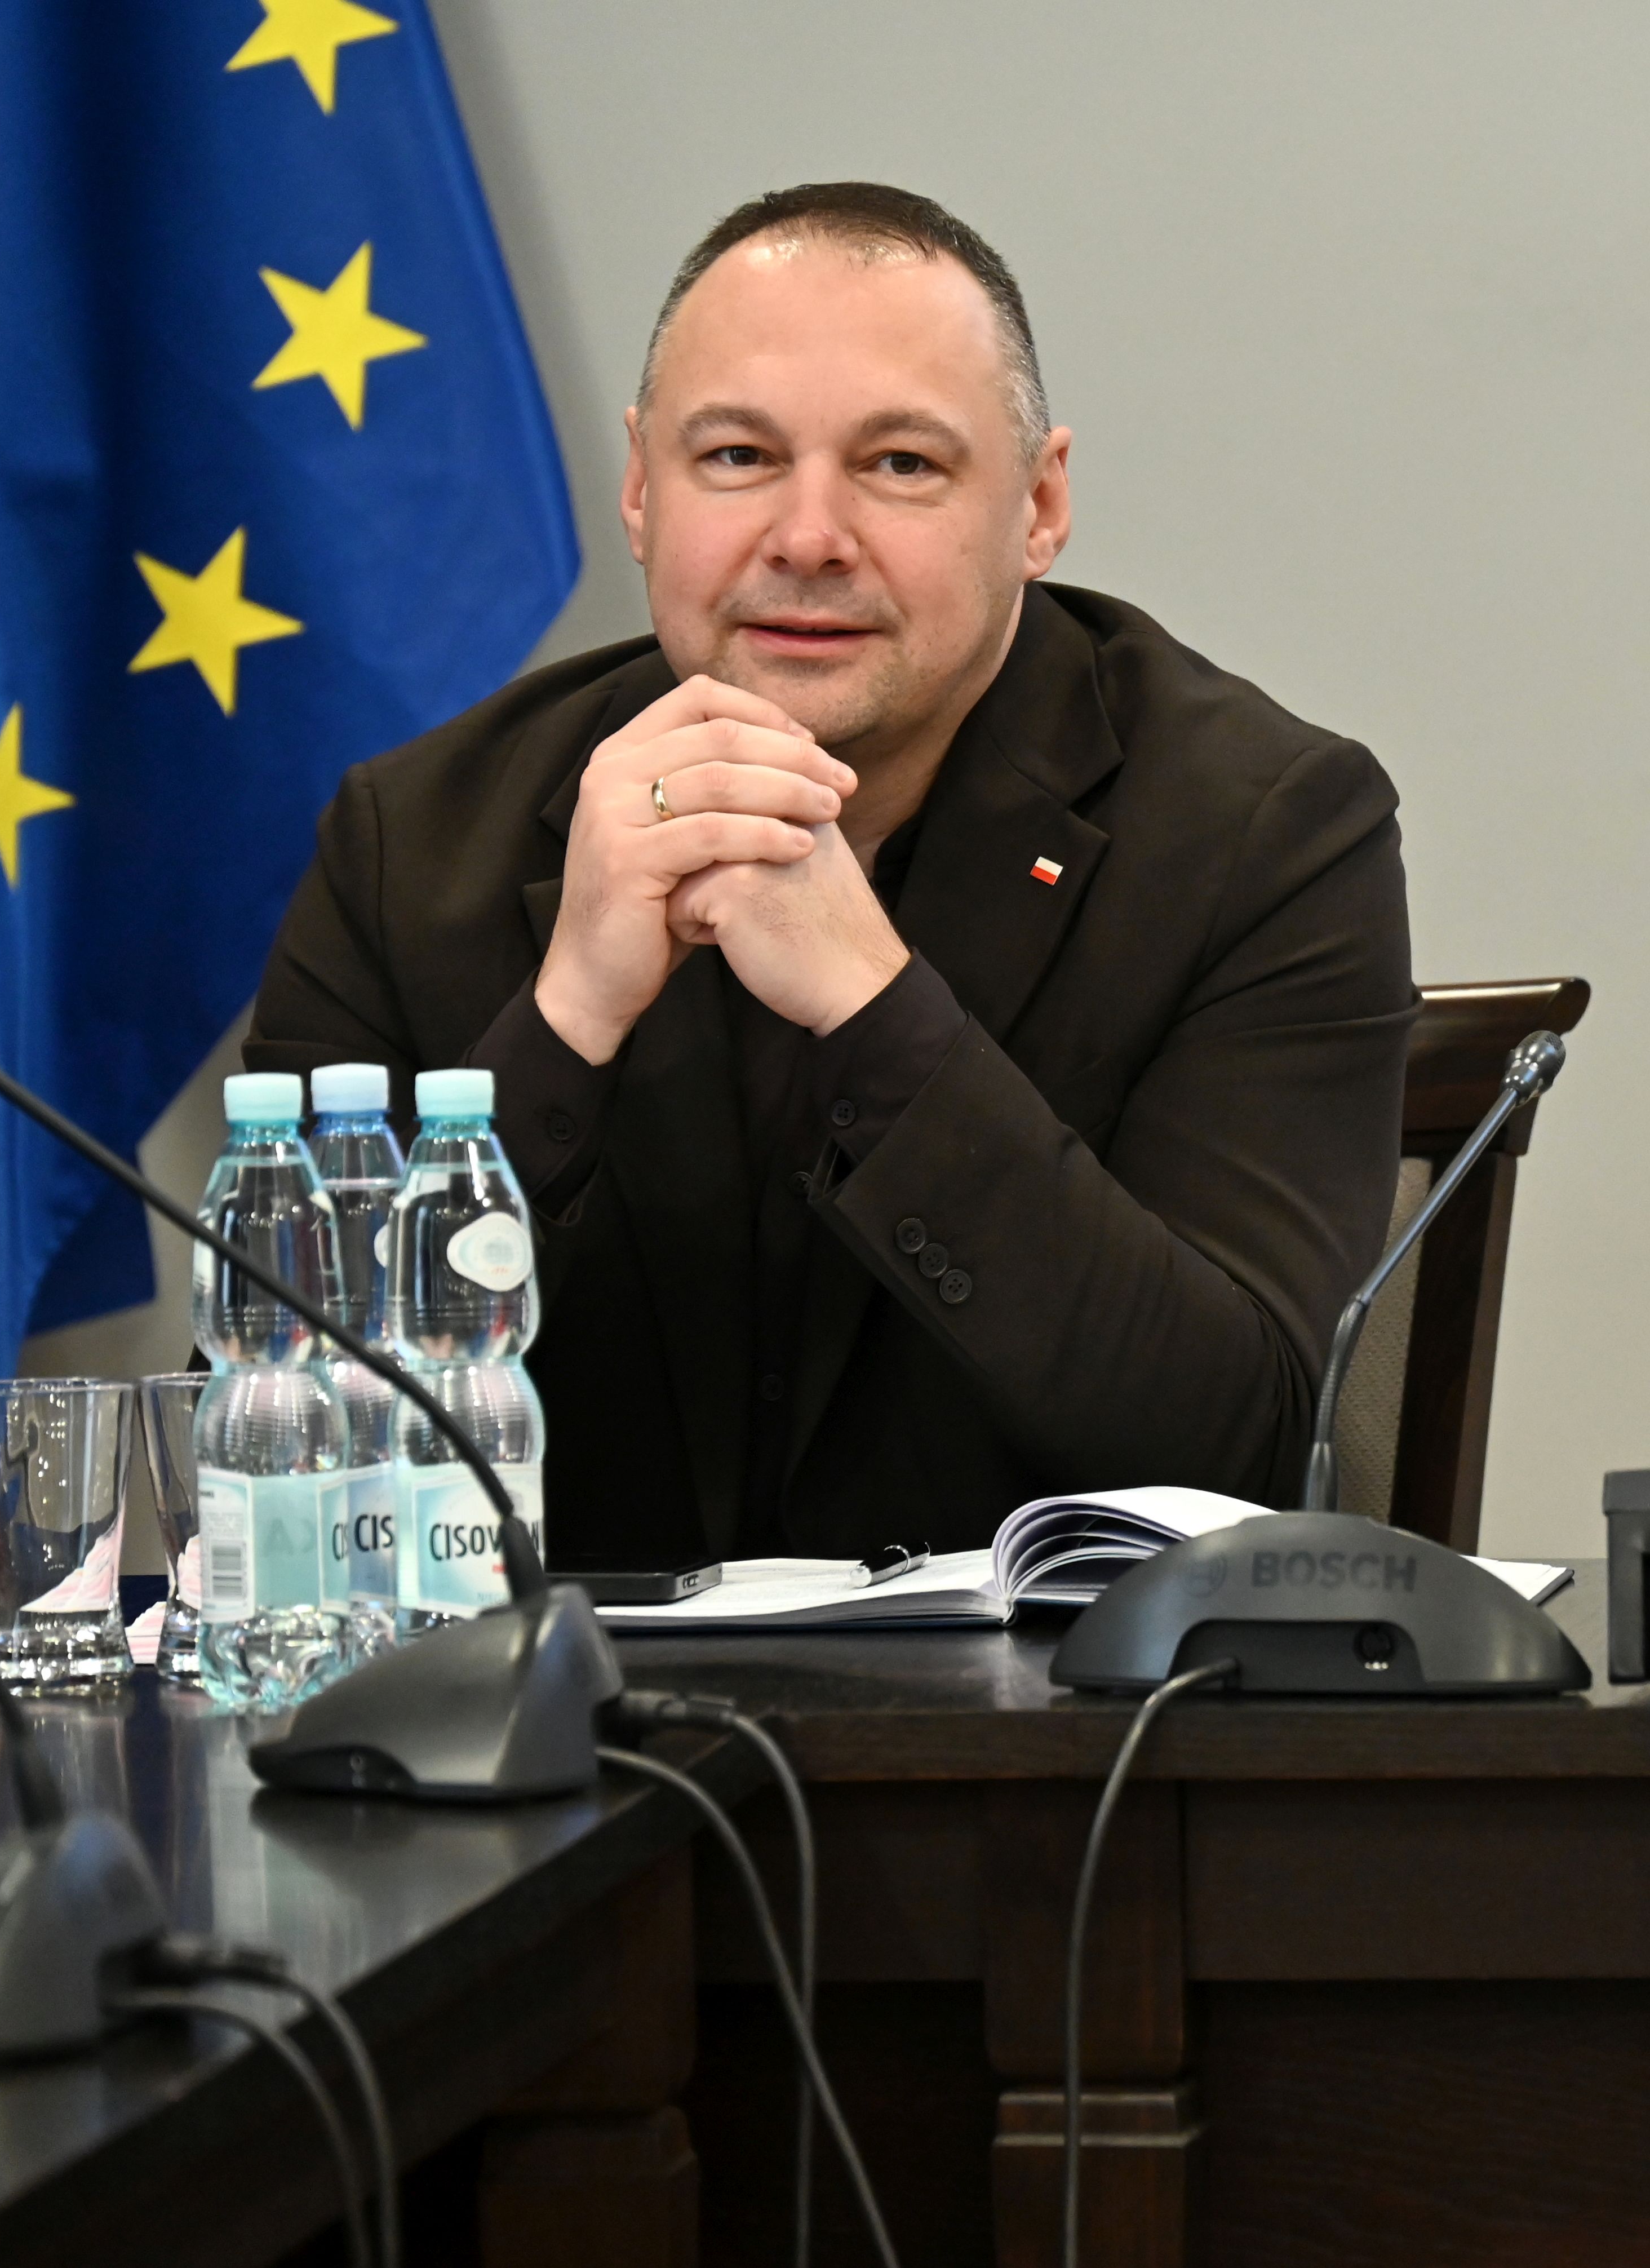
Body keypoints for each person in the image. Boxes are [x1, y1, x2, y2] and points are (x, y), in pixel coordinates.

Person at [247, 183, 1413, 1562]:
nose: (808, 536)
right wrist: (566, 1025)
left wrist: (878, 1011)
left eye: (901, 464)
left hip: (1053, 1700)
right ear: (641, 490)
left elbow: (1245, 1450)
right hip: (559, 1694)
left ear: (1040, 505)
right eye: (738, 455)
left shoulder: (1263, 832)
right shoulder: (412, 839)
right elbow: (274, 1459)